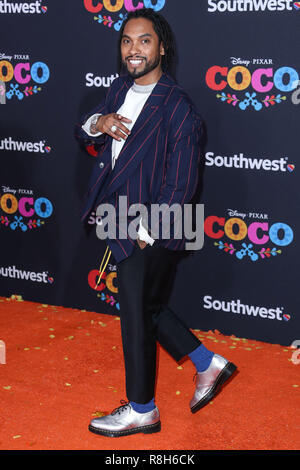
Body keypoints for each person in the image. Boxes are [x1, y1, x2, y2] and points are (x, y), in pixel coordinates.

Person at [75, 8, 237, 438]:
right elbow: (83, 131)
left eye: (144, 41)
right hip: (117, 214)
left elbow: (182, 185)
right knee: (144, 307)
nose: (134, 50)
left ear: (161, 47)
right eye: (127, 41)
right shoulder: (116, 89)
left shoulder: (178, 108)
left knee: (135, 315)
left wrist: (147, 235)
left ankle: (143, 408)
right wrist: (100, 122)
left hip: (154, 224)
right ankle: (207, 363)